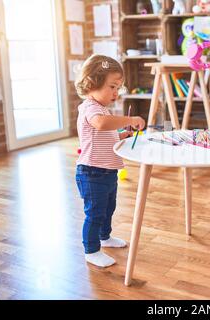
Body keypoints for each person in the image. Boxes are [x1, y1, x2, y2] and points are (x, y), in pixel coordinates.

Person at [74, 54, 145, 267]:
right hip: (92, 172)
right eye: (112, 87)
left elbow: (107, 132)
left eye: (118, 88)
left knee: (108, 209)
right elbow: (102, 124)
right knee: (95, 213)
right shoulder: (91, 108)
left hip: (107, 171)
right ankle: (91, 250)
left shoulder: (102, 109)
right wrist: (130, 120)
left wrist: (123, 134)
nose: (116, 93)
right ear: (93, 83)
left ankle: (105, 237)